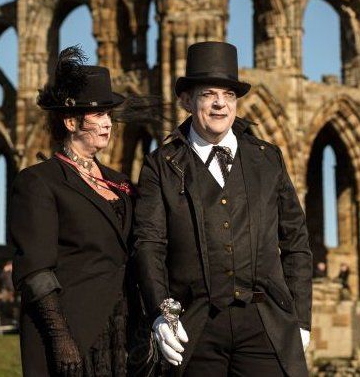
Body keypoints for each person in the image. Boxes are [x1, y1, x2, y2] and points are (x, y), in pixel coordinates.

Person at [134, 41, 312, 376]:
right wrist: (164, 313)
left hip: (265, 323)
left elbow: (296, 241)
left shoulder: (266, 157)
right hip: (195, 325)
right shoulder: (161, 164)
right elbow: (150, 245)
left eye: (229, 95)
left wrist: (300, 318)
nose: (220, 104)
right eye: (209, 94)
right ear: (187, 100)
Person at [9, 47, 134, 377]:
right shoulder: (39, 182)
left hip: (124, 331)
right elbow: (35, 269)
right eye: (98, 116)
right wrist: (60, 337)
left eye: (109, 115)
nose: (108, 124)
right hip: (75, 331)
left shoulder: (121, 184)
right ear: (70, 121)